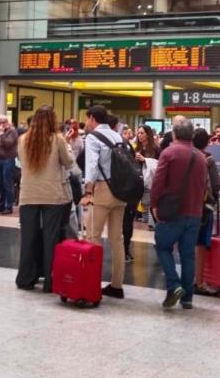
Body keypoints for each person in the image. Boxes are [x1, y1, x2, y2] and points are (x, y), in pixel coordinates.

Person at [149, 120, 208, 309]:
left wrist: (154, 204)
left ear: (174, 134)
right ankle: (187, 298)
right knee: (188, 255)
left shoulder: (169, 153)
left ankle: (174, 285)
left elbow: (158, 182)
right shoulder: (201, 157)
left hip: (173, 212)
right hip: (195, 213)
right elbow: (203, 186)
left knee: (162, 247)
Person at [15, 106, 74, 292]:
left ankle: (26, 278)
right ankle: (50, 280)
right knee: (51, 238)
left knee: (28, 238)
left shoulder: (23, 139)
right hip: (52, 195)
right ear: (52, 120)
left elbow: (21, 161)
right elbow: (69, 162)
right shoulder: (58, 139)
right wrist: (69, 146)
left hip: (28, 194)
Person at [79, 105, 128, 299]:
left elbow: (91, 166)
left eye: (87, 119)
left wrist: (88, 191)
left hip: (102, 189)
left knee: (93, 236)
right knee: (117, 239)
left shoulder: (93, 137)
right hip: (120, 191)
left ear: (92, 118)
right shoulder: (118, 136)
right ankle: (117, 285)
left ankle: (92, 282)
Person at [192, 128, 220, 295]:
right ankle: (199, 282)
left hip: (186, 205)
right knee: (201, 244)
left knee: (187, 243)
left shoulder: (186, 156)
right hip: (203, 207)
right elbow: (216, 185)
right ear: (207, 143)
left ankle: (186, 278)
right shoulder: (208, 159)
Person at [0, 115, 20, 215]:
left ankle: (9, 206)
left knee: (7, 183)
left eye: (3, 122)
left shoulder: (12, 131)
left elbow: (8, 144)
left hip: (8, 159)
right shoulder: (0, 132)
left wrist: (1, 134)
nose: (1, 124)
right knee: (0, 183)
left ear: (7, 122)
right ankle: (1, 205)